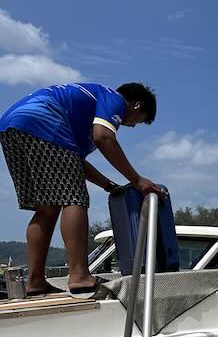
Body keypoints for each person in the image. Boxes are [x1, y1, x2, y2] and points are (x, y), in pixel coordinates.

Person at [0, 82, 165, 297]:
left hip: (12, 126)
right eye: (139, 121)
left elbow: (73, 161)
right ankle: (79, 276)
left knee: (47, 208)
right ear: (136, 105)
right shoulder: (112, 98)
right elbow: (103, 137)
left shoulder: (82, 120)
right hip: (44, 119)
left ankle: (35, 281)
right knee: (74, 199)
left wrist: (109, 185)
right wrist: (137, 180)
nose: (132, 126)